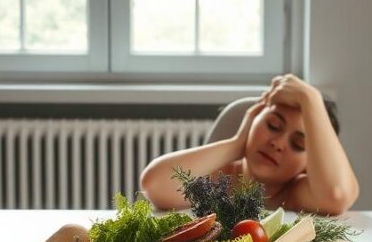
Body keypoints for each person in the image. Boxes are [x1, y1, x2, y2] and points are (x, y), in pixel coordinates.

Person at [140, 74, 360, 215]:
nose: (278, 143)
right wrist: (238, 144)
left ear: (309, 164)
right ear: (253, 117)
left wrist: (310, 97)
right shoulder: (219, 179)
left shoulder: (296, 195)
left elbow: (336, 195)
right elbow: (155, 185)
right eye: (273, 125)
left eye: (298, 143)